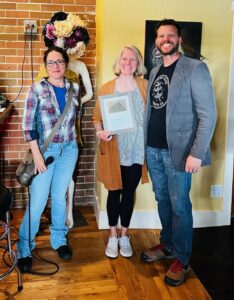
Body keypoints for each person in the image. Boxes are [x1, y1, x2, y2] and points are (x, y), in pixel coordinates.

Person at [140, 19, 217, 286]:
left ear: (179, 39)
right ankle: (168, 244)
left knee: (180, 206)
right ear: (157, 41)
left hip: (181, 153)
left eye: (170, 35)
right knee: (163, 200)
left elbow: (208, 115)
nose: (165, 40)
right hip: (153, 149)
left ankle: (182, 259)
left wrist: (197, 152)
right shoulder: (155, 70)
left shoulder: (195, 69)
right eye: (161, 36)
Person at [17, 46, 80, 273]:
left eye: (60, 61)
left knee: (60, 196)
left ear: (66, 64)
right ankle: (24, 248)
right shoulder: (36, 89)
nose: (56, 66)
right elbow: (27, 127)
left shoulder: (74, 88)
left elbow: (74, 121)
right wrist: (37, 156)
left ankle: (59, 239)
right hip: (45, 152)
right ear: (45, 66)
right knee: (38, 201)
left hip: (69, 149)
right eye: (51, 62)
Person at [92, 45, 149, 259]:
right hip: (113, 149)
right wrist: (100, 132)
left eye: (132, 59)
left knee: (129, 193)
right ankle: (112, 235)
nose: (128, 63)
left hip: (136, 150)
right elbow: (97, 118)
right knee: (114, 191)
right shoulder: (107, 88)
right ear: (118, 62)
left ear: (138, 63)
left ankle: (125, 235)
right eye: (124, 58)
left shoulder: (145, 85)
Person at [38, 11, 93, 228]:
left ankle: (69, 211)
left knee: (69, 170)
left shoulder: (78, 66)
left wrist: (76, 103)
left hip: (72, 125)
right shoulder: (48, 66)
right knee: (48, 169)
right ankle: (50, 210)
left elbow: (88, 93)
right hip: (49, 129)